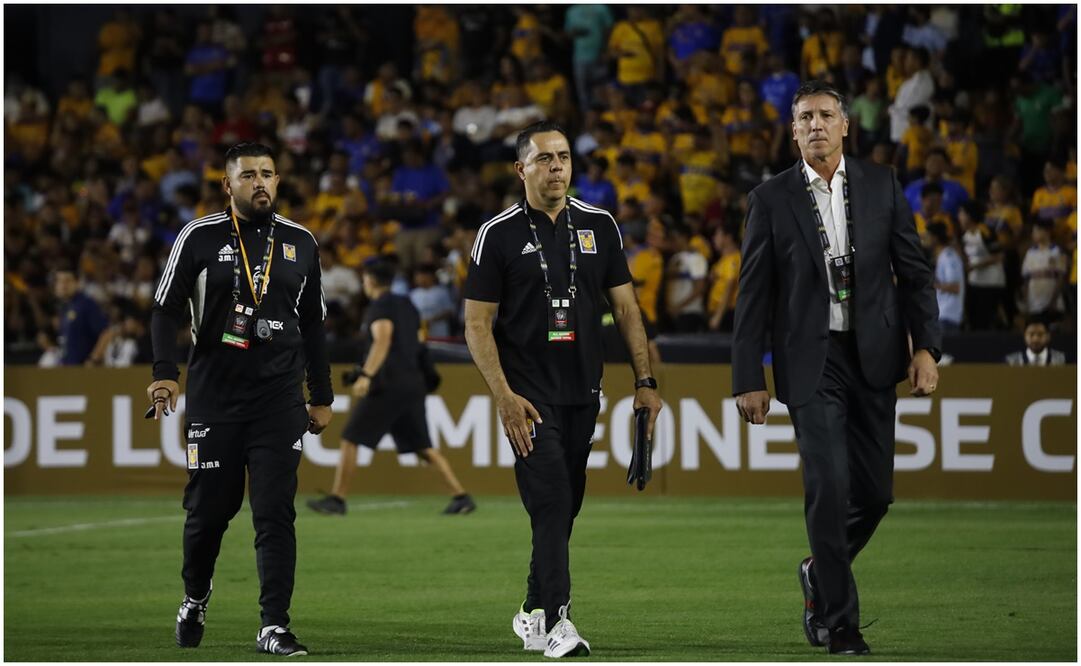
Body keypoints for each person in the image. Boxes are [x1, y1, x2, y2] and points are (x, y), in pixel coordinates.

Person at [732, 82, 941, 656]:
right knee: (827, 486)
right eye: (805, 117)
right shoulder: (770, 199)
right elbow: (752, 297)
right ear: (793, 130)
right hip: (810, 362)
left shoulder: (883, 185)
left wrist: (926, 347)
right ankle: (839, 623)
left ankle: (819, 570)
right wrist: (748, 376)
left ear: (846, 126)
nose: (817, 125)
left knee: (874, 496)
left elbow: (916, 274)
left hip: (872, 356)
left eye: (826, 115)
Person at [462, 121, 661, 658]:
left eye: (564, 157)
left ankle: (530, 609)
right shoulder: (496, 234)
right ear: (520, 168)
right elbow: (477, 325)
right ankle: (557, 622)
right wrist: (503, 395)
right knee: (551, 502)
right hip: (528, 398)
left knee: (565, 506)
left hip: (582, 393)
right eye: (544, 158)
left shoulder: (601, 225)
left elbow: (626, 308)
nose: (556, 167)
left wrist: (645, 382)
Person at [147, 143, 332, 657]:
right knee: (209, 512)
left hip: (279, 402)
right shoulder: (199, 237)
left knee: (275, 512)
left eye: (268, 174)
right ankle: (195, 597)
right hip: (215, 400)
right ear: (227, 186)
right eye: (248, 175)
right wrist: (165, 375)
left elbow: (314, 326)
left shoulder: (301, 242)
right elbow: (163, 310)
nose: (261, 183)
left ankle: (274, 625)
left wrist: (322, 395)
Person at [308, 260, 476, 517]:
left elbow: (383, 338)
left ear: (371, 280)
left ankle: (337, 499)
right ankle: (461, 496)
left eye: (364, 279)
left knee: (351, 438)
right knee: (423, 446)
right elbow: (415, 341)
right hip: (413, 381)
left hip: (389, 384)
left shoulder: (381, 305)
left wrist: (366, 374)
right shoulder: (407, 304)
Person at [927, 221, 965, 331]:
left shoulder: (949, 257)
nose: (925, 239)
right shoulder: (941, 256)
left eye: (928, 236)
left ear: (935, 238)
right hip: (942, 315)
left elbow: (955, 287)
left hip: (948, 315)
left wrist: (931, 285)